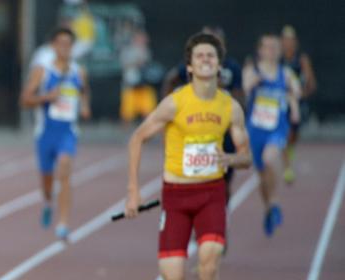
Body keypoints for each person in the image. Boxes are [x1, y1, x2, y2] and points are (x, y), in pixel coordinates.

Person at [124, 32, 251, 280]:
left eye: (211, 56)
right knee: (173, 278)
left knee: (209, 266)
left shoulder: (230, 107)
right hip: (177, 196)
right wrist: (133, 192)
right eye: (200, 56)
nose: (206, 60)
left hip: (211, 193)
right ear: (190, 67)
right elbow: (138, 138)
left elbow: (246, 155)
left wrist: (231, 159)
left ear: (219, 66)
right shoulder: (175, 103)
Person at [20, 27, 91, 240]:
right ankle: (48, 201)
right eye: (60, 43)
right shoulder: (42, 71)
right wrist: (46, 98)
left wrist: (85, 105)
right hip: (45, 133)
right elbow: (25, 99)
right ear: (53, 46)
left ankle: (63, 223)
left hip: (67, 132)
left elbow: (84, 91)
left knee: (65, 170)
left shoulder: (79, 72)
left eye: (69, 44)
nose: (65, 48)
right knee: (47, 181)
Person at [161, 26, 243, 205]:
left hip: (224, 129)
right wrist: (168, 108)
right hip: (197, 128)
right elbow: (171, 79)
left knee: (223, 181)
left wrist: (224, 99)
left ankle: (220, 215)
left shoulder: (232, 67)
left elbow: (239, 95)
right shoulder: (194, 65)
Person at [243, 33, 301, 237]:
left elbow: (296, 91)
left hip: (277, 127)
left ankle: (274, 201)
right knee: (261, 175)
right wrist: (254, 81)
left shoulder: (285, 73)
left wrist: (293, 105)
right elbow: (246, 85)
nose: (272, 51)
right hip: (256, 129)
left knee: (269, 160)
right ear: (260, 50)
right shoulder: (252, 70)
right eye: (267, 47)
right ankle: (268, 208)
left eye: (275, 47)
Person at [280, 25, 317, 184]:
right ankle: (287, 168)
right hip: (281, 103)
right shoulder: (278, 60)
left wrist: (302, 93)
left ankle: (290, 150)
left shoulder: (301, 59)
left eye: (290, 40)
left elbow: (311, 83)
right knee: (284, 135)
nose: (288, 43)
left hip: (297, 103)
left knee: (293, 135)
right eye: (285, 40)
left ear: (295, 42)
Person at [119, 29, 158, 127]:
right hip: (131, 83)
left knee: (147, 105)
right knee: (128, 108)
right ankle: (126, 126)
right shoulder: (128, 50)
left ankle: (148, 125)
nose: (144, 40)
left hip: (143, 83)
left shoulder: (146, 50)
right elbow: (125, 64)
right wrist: (136, 62)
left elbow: (146, 64)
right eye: (141, 38)